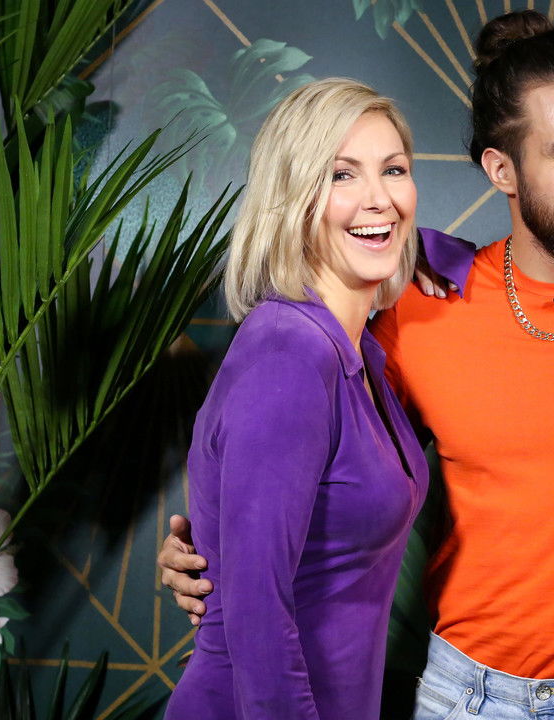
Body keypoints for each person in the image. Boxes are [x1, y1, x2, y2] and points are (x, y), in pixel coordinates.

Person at [159, 11, 554, 720]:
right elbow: (294, 454)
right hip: (464, 696)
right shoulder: (415, 311)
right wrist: (212, 554)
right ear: (501, 169)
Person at [164, 78, 428, 720]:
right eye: (341, 174)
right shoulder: (289, 356)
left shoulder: (357, 352)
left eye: (394, 169)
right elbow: (256, 617)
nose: (379, 198)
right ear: (292, 199)